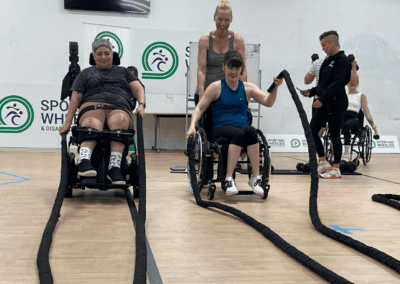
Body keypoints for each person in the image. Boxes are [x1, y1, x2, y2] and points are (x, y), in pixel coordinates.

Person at [186, 50, 283, 195]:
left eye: (237, 68)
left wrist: (276, 87)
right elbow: (200, 107)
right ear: (224, 67)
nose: (234, 72)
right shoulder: (215, 87)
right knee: (239, 133)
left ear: (241, 70)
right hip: (220, 129)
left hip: (241, 129)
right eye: (230, 68)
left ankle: (255, 179)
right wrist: (192, 126)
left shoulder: (248, 88)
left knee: (251, 131)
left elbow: (268, 102)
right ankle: (228, 178)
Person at [59, 38, 146, 184]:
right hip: (93, 106)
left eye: (107, 53)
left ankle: (115, 167)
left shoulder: (123, 72)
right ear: (93, 56)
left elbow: (138, 88)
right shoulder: (86, 74)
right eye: (99, 53)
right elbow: (75, 98)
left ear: (113, 54)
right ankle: (84, 162)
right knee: (92, 122)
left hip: (119, 106)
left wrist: (142, 105)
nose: (103, 57)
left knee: (120, 121)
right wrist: (67, 123)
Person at [299, 31, 351, 179]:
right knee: (312, 130)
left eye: (324, 45)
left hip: (337, 101)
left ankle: (336, 169)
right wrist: (311, 92)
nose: (322, 48)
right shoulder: (327, 61)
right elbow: (323, 84)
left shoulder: (343, 60)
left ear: (332, 43)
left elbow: (337, 83)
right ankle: (323, 161)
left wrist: (321, 98)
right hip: (325, 101)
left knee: (334, 134)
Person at [195, 0, 247, 105]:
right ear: (214, 17)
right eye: (220, 19)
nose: (223, 24)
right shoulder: (205, 40)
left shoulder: (238, 40)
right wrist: (201, 95)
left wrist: (243, 96)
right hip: (207, 93)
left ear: (231, 19)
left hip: (228, 94)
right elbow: (201, 70)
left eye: (227, 20)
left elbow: (243, 71)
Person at [342, 60, 379, 161]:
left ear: (357, 83)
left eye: (353, 82)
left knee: (345, 126)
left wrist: (374, 128)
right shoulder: (343, 95)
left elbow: (367, 112)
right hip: (343, 116)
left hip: (354, 118)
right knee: (335, 126)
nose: (351, 84)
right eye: (349, 82)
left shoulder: (361, 95)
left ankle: (346, 154)